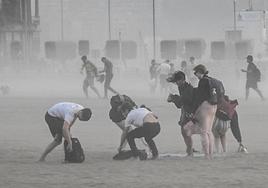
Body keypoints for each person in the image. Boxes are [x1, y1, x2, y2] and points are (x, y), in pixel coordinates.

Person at [183, 64, 217, 159]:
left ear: (200, 72)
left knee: (204, 132)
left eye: (196, 73)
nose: (195, 75)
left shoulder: (203, 81)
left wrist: (194, 110)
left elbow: (199, 97)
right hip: (214, 106)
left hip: (205, 106)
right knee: (209, 131)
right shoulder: (211, 80)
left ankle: (206, 154)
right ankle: (210, 153)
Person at [166, 71, 197, 156]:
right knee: (184, 132)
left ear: (182, 80)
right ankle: (189, 149)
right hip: (185, 111)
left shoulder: (188, 88)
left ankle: (189, 151)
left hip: (190, 112)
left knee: (185, 131)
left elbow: (184, 102)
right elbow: (181, 103)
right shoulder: (182, 87)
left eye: (177, 81)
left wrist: (173, 98)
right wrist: (174, 99)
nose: (176, 83)